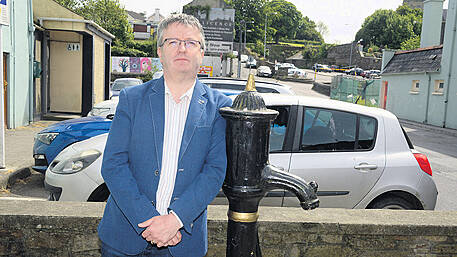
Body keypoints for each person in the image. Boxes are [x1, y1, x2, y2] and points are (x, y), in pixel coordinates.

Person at [98, 13, 232, 257]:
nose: (182, 48)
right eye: (173, 41)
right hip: (124, 238)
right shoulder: (131, 99)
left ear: (201, 53)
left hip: (183, 242)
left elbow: (214, 172)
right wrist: (150, 220)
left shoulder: (219, 107)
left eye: (190, 42)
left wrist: (174, 221)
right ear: (159, 52)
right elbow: (113, 165)